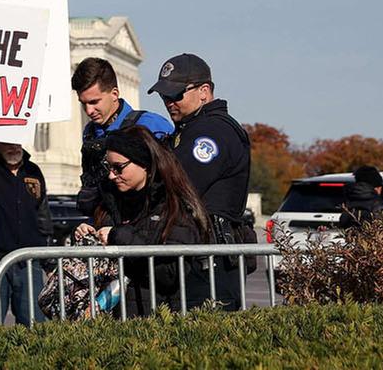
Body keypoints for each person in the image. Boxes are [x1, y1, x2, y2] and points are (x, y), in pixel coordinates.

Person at [151, 53, 252, 308]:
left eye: (176, 95)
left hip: (210, 255)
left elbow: (178, 185)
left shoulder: (212, 132)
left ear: (204, 91)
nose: (169, 102)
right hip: (197, 251)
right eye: (165, 96)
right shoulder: (189, 130)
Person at [87, 124, 212, 316]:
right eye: (108, 167)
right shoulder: (110, 201)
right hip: (114, 322)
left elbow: (170, 273)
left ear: (144, 164)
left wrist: (118, 237)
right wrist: (86, 234)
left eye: (118, 168)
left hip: (158, 321)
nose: (112, 175)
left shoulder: (174, 208)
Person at [73, 57, 174, 226]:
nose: (89, 111)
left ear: (114, 94)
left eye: (94, 102)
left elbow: (173, 183)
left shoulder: (150, 124)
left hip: (147, 228)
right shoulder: (90, 133)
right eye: (83, 104)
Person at [0, 139, 50, 325]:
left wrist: (47, 259)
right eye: (5, 141)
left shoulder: (33, 170)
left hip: (29, 260)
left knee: (34, 324)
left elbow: (42, 214)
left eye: (17, 140)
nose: (13, 146)